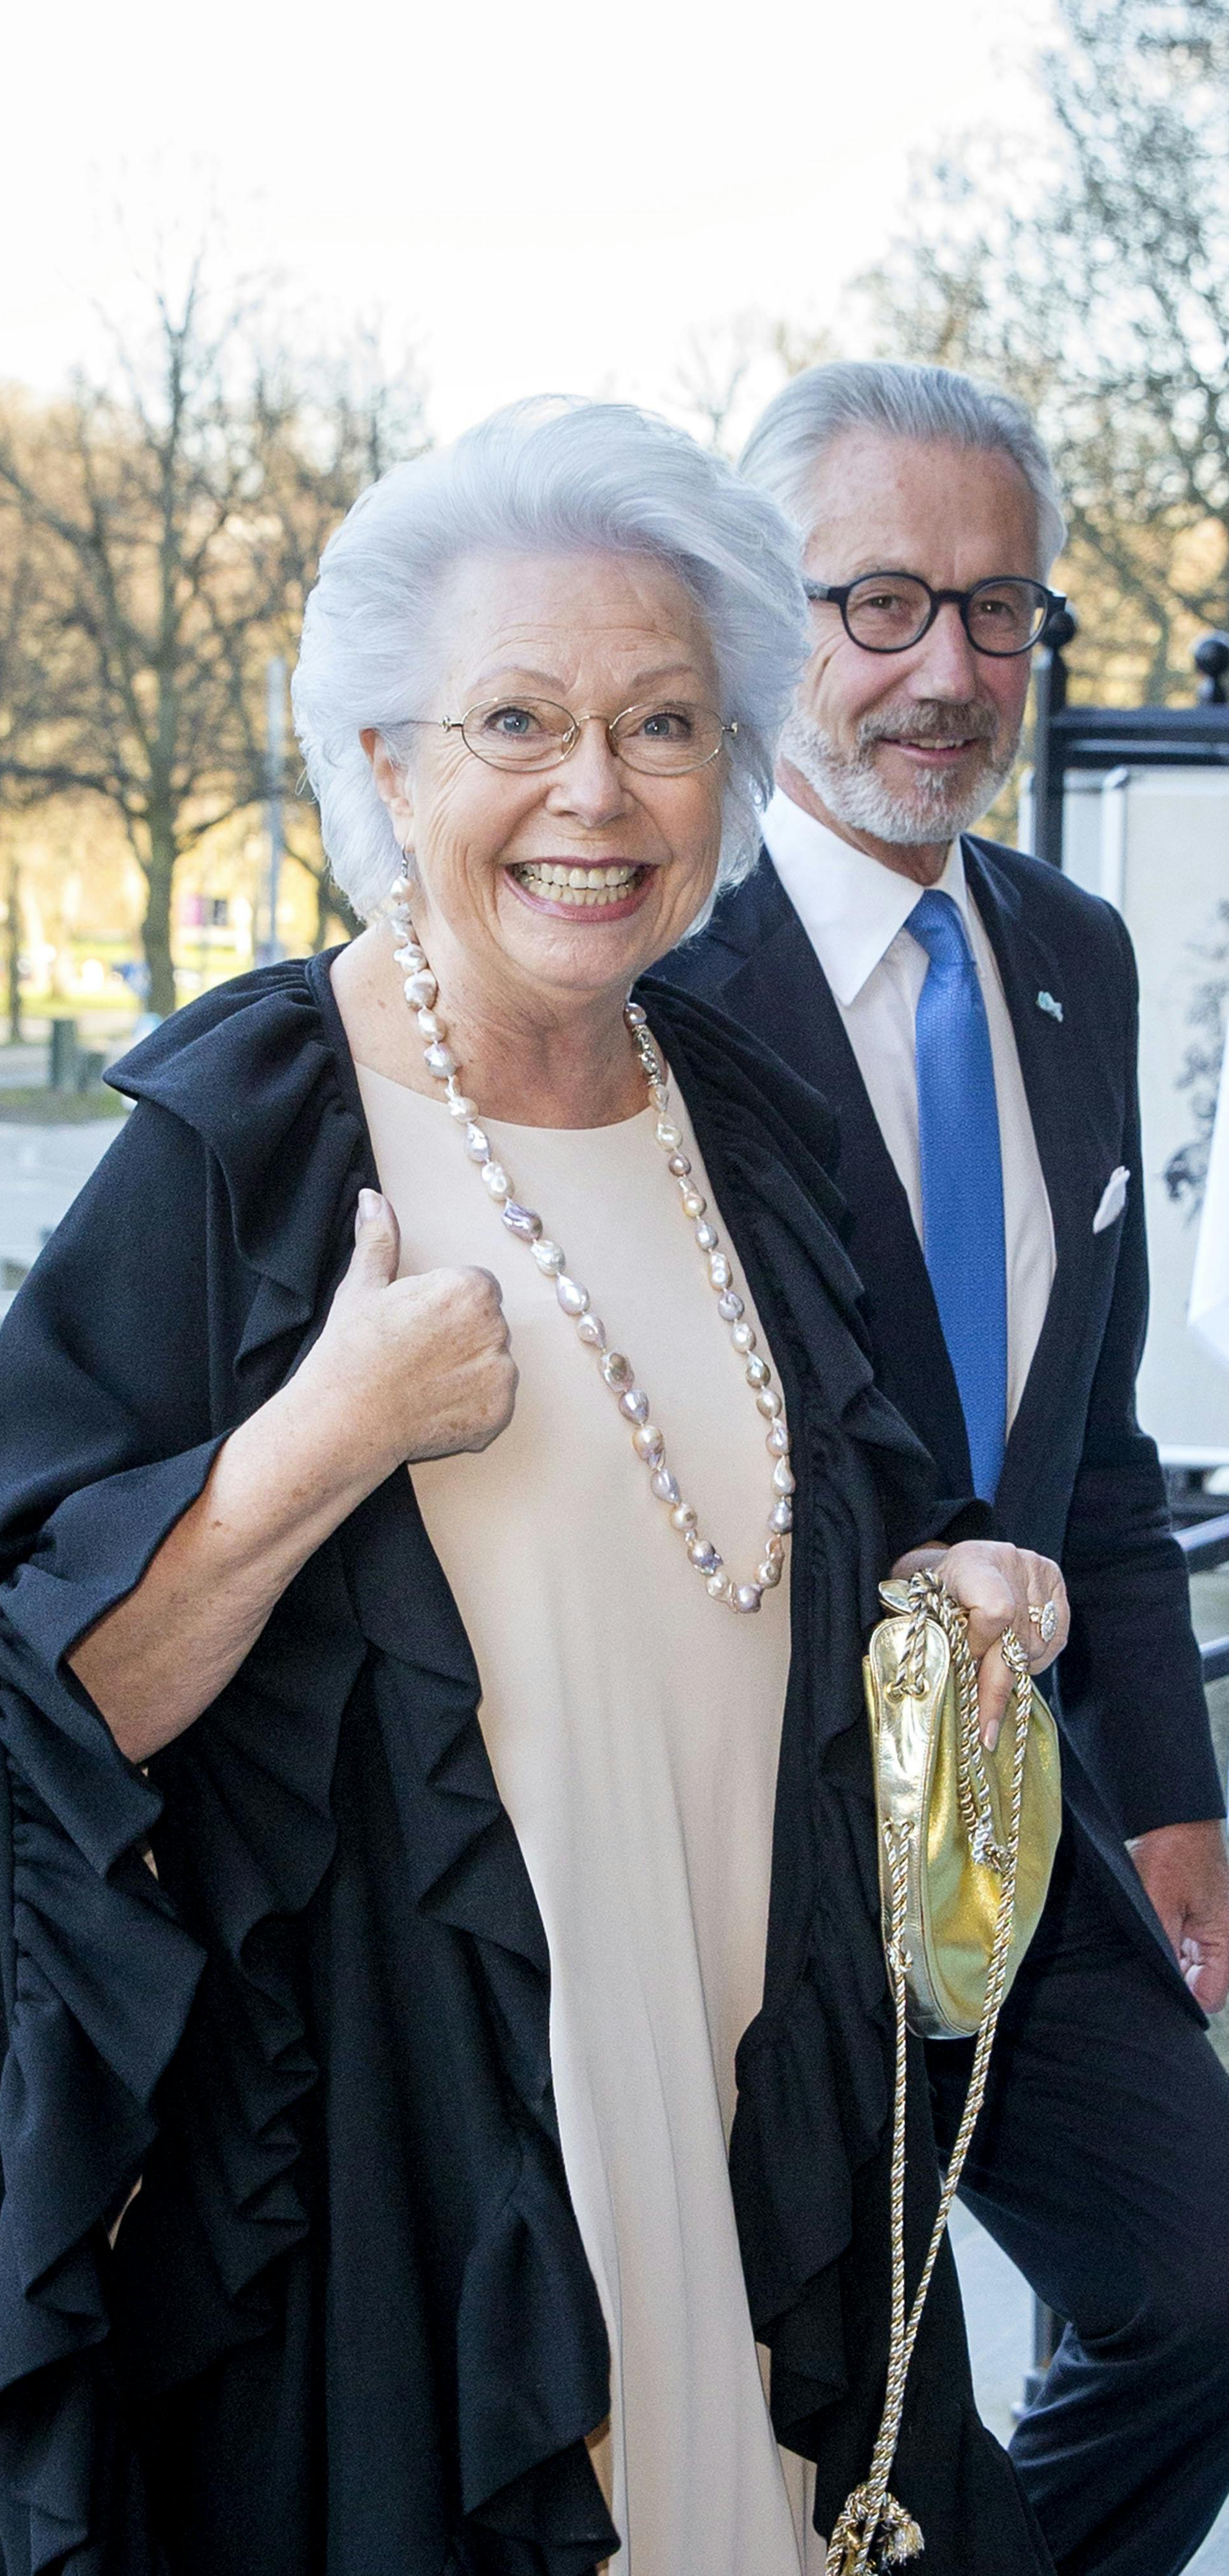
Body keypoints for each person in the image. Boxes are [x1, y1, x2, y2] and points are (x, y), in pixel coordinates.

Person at [0, 400, 1071, 2576]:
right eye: (515, 719)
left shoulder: (751, 1125)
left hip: (743, 2116)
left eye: (665, 724)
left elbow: (780, 1569)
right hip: (413, 2189)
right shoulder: (240, 1141)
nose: (593, 794)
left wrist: (949, 1602)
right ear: (390, 767)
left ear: (732, 764)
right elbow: (13, 1724)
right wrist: (322, 1436)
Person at [658, 358, 1229, 2576]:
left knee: (1194, 2289)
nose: (950, 671)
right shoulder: (657, 979)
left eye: (1002, 614)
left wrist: (1169, 1795)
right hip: (751, 1855)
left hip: (1017, 1833)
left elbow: (1088, 1447)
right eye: (879, 601)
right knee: (855, 2413)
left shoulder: (1072, 961)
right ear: (763, 612)